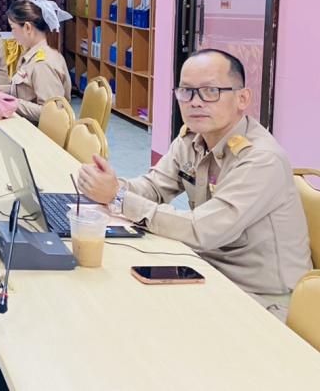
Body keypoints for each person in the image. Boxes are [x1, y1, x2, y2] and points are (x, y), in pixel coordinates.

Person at [77, 49, 311, 319]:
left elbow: (202, 230)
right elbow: (154, 187)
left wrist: (118, 197)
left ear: (242, 98)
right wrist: (109, 185)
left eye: (211, 91)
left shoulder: (261, 160)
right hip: (207, 267)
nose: (195, 102)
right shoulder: (193, 139)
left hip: (263, 298)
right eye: (186, 91)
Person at [0, 0, 72, 122]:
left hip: (36, 130)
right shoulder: (32, 53)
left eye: (13, 28)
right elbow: (27, 90)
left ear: (27, 27)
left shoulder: (42, 64)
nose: (12, 34)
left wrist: (11, 102)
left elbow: (52, 113)